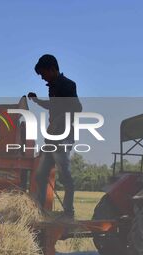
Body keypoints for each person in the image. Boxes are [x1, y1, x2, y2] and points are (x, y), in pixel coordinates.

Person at [28, 54, 82, 219]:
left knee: (64, 174)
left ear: (52, 69)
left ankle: (68, 212)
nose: (42, 77)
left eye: (43, 73)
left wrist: (59, 120)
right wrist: (37, 101)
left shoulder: (68, 85)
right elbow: (53, 105)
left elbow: (77, 107)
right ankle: (39, 211)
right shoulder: (52, 86)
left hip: (64, 136)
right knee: (41, 174)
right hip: (52, 137)